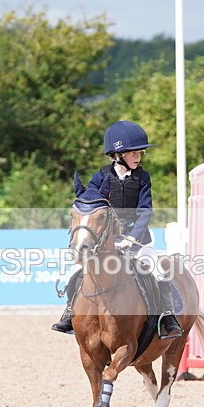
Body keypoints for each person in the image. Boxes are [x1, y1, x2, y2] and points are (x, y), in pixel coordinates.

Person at [51, 120, 183, 339]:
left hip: (138, 240)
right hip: (105, 241)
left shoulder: (143, 178)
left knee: (158, 271)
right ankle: (69, 314)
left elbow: (145, 212)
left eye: (140, 153)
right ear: (118, 154)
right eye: (133, 153)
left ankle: (168, 318)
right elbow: (89, 205)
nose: (138, 157)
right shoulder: (101, 177)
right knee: (75, 271)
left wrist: (131, 238)